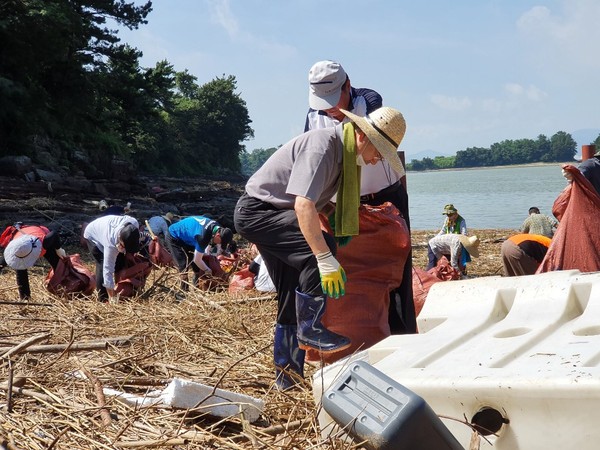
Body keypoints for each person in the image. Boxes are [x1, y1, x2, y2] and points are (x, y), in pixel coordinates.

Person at [234, 105, 407, 389]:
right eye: (379, 152)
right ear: (364, 136)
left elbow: (315, 199)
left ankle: (287, 378)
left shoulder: (342, 152)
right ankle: (310, 329)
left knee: (291, 292)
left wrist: (335, 216)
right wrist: (325, 258)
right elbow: (302, 205)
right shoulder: (323, 147)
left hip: (270, 212)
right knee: (320, 250)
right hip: (260, 212)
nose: (376, 161)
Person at [305, 60, 415, 335]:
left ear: (348, 86)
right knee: (356, 270)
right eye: (322, 100)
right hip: (348, 202)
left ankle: (402, 332)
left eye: (334, 97)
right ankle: (363, 331)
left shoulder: (368, 102)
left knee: (395, 269)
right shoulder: (312, 116)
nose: (329, 107)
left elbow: (375, 122)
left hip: (385, 197)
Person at [166, 216, 233, 290]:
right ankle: (183, 291)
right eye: (221, 242)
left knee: (196, 266)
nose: (219, 244)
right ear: (218, 235)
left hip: (190, 236)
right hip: (174, 236)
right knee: (183, 266)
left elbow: (209, 245)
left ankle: (197, 286)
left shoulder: (217, 228)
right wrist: (208, 270)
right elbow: (197, 259)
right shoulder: (202, 237)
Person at [83, 214, 141, 301]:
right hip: (92, 235)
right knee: (102, 265)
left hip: (106, 227)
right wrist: (112, 297)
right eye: (123, 246)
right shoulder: (110, 244)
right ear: (120, 240)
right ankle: (103, 298)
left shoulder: (134, 225)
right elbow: (107, 271)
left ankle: (120, 288)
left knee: (120, 260)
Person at [0, 223, 65, 300]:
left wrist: (58, 249)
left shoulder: (44, 242)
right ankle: (25, 298)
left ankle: (63, 286)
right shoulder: (15, 251)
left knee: (57, 264)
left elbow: (54, 234)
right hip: (21, 239)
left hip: (38, 236)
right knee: (20, 271)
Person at [427, 204, 467, 269]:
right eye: (447, 215)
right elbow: (443, 231)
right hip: (446, 243)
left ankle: (461, 273)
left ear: (455, 214)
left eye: (450, 215)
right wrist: (436, 238)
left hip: (456, 243)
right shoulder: (447, 220)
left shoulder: (461, 221)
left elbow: (464, 234)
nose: (449, 217)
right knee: (442, 262)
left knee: (459, 261)